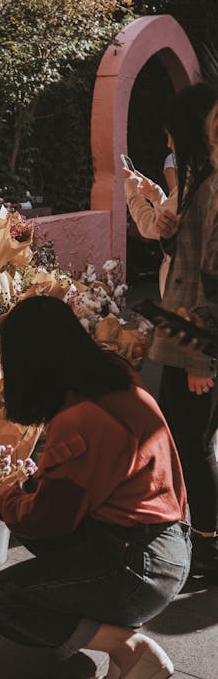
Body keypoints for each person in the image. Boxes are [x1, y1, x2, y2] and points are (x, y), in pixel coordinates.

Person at [0, 296, 190, 679]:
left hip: (140, 564)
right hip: (162, 546)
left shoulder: (81, 419)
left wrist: (6, 499)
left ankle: (129, 646)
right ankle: (117, 639)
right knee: (34, 511)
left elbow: (48, 521)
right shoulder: (114, 377)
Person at [148, 83, 218, 576]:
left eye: (172, 134)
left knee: (195, 445)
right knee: (188, 440)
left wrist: (199, 357)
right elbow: (190, 260)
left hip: (197, 342)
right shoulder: (200, 184)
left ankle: (208, 549)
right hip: (185, 334)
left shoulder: (213, 189)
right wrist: (170, 239)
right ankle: (199, 538)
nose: (168, 142)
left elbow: (213, 279)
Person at [123, 139, 178, 297]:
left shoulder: (192, 185)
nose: (168, 143)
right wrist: (156, 195)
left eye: (170, 135)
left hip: (180, 286)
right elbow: (173, 211)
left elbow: (151, 227)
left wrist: (131, 190)